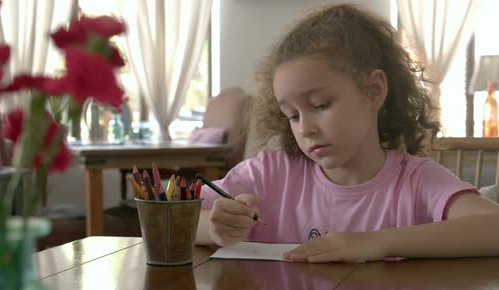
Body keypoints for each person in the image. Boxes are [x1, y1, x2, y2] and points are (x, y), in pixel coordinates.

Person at [195, 4, 499, 263]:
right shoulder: (269, 174)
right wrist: (214, 228)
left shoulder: (416, 181)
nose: (306, 128)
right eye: (293, 115)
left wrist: (376, 242)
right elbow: (170, 218)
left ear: (374, 90)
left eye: (320, 105)